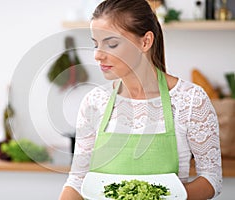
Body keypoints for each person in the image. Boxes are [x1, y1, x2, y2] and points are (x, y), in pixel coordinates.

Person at [59, 0, 222, 199]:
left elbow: (211, 178)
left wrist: (160, 197)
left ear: (145, 42)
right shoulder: (94, 102)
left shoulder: (190, 100)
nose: (97, 55)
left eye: (111, 44)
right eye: (95, 44)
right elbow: (77, 181)